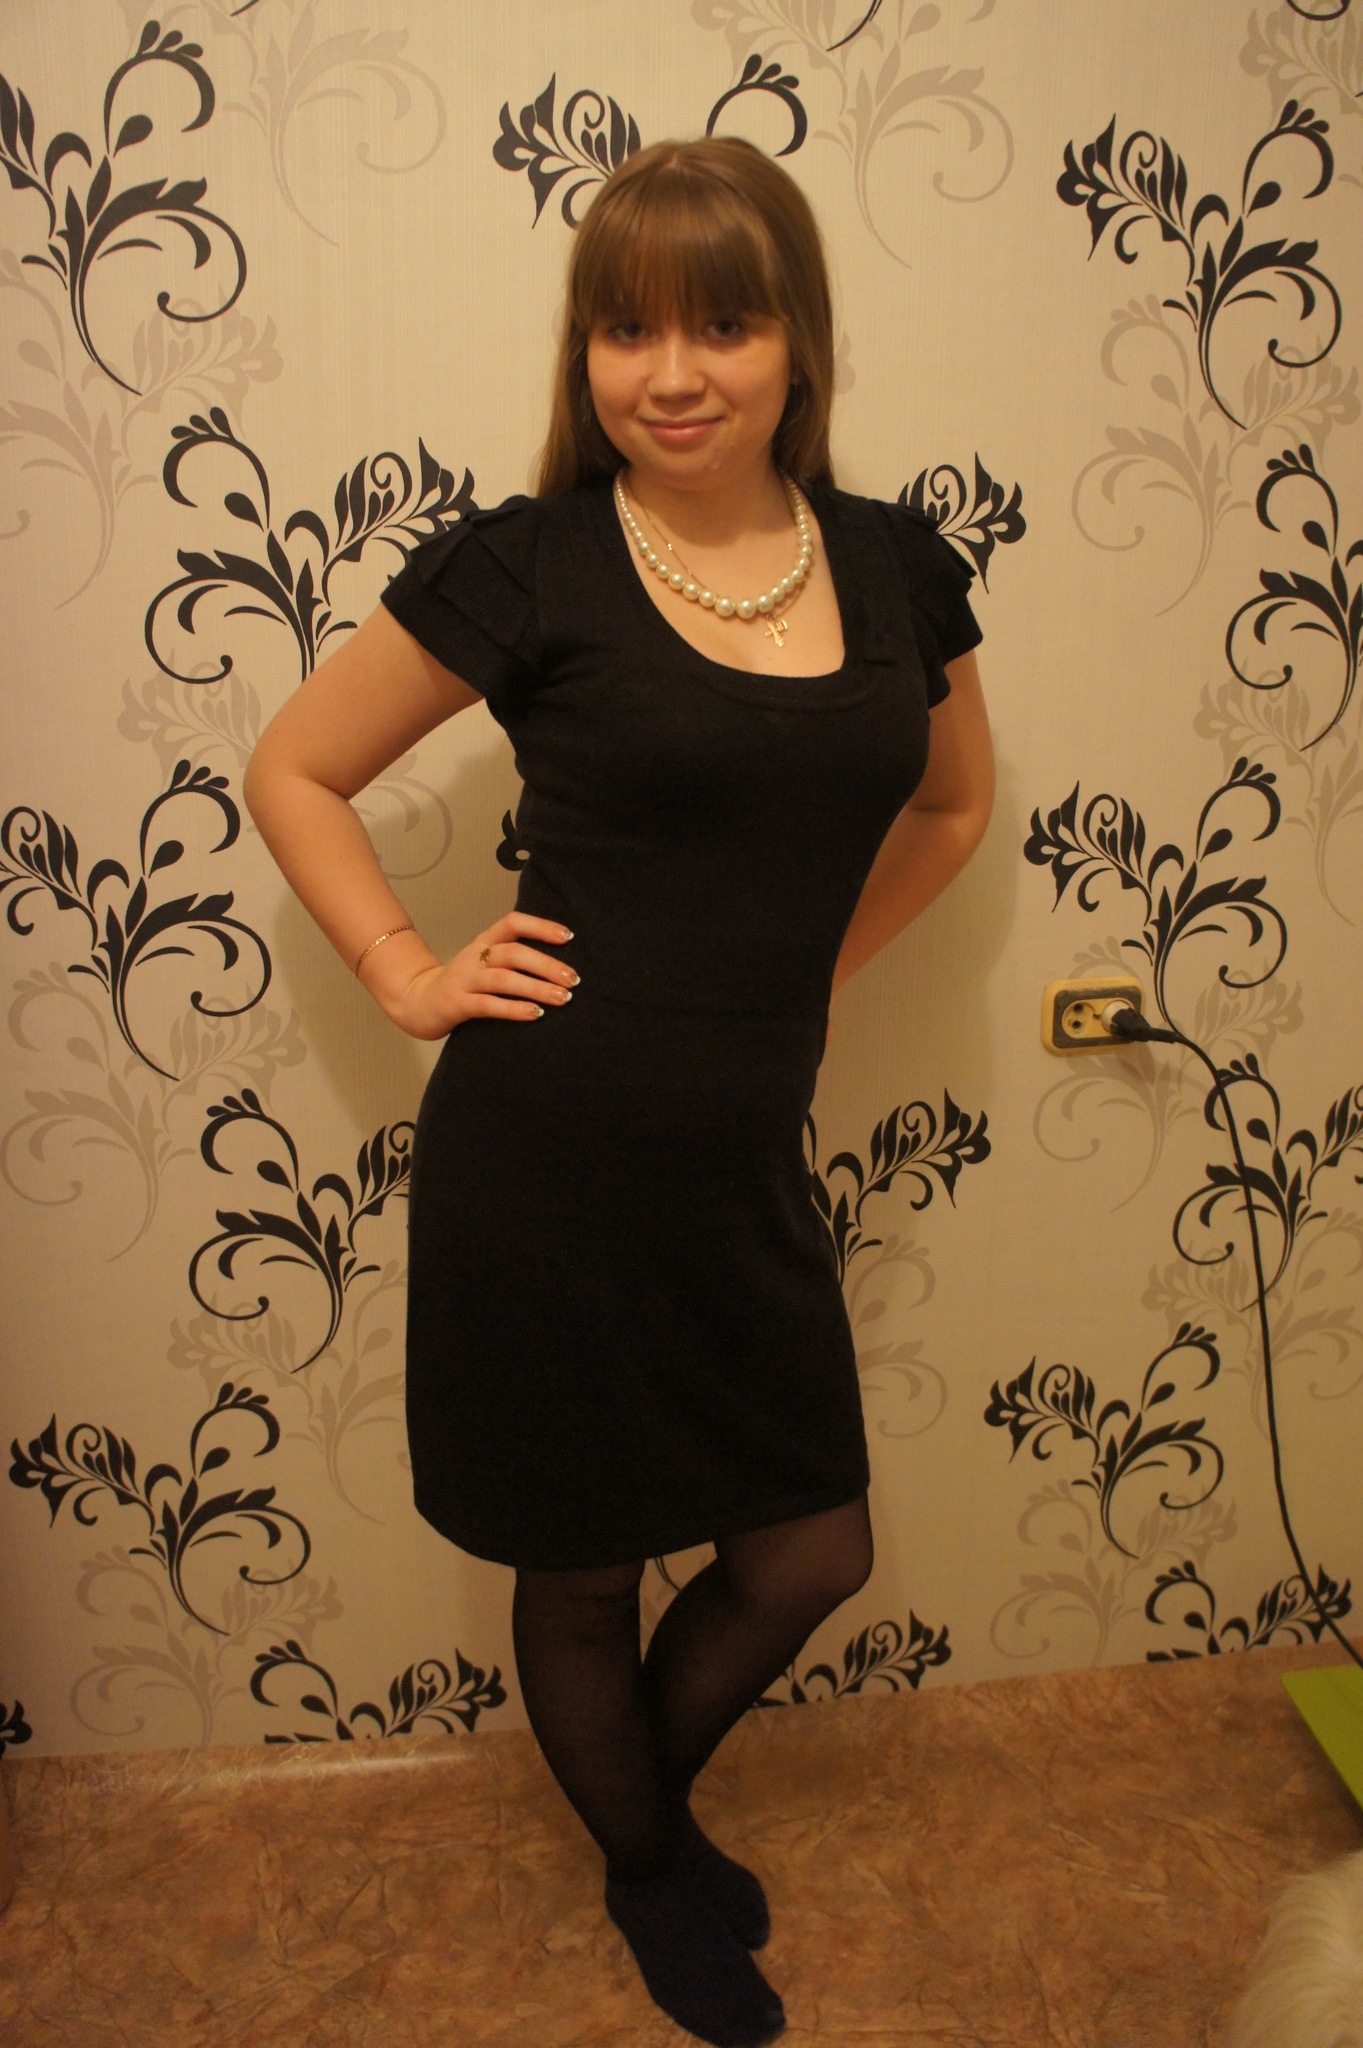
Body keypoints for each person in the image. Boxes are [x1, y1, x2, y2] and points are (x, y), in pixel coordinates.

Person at [244, 134, 993, 2048]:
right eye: (626, 328)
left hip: (741, 1160)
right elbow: (294, 770)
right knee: (580, 1570)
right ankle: (651, 1863)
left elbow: (953, 803)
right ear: (584, 350)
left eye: (721, 325)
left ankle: (637, 1816)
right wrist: (407, 974)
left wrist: (810, 974)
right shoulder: (532, 563)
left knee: (806, 1549)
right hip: (547, 1152)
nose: (671, 373)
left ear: (798, 341)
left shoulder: (899, 567)